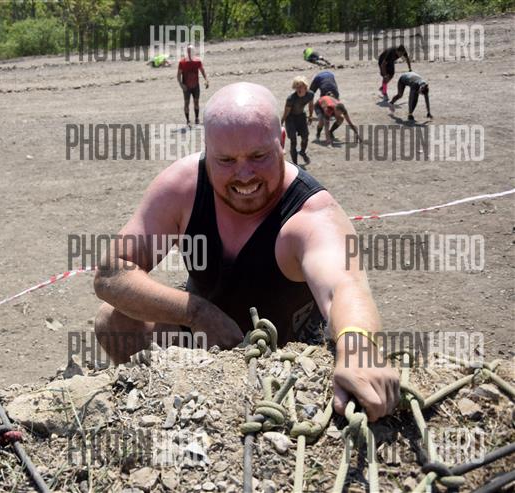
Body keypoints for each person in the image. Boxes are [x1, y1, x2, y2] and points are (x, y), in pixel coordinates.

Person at [93, 82, 399, 422]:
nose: (244, 176)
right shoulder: (184, 187)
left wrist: (358, 348)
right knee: (114, 321)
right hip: (203, 335)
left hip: (282, 355)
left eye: (258, 157)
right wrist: (198, 313)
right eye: (226, 160)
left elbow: (344, 285)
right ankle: (164, 412)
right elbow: (112, 273)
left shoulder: (310, 213)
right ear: (207, 151)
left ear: (282, 142)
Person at [281, 76, 314, 166]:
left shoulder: (310, 94)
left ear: (305, 87)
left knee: (305, 136)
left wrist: (311, 115)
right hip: (290, 118)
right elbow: (286, 112)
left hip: (301, 116)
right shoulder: (291, 98)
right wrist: (282, 122)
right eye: (297, 87)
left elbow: (311, 105)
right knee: (293, 140)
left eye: (300, 87)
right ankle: (295, 164)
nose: (298, 89)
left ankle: (302, 152)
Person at [177, 45, 209, 126]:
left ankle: (197, 118)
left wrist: (206, 80)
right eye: (188, 51)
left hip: (195, 86)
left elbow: (203, 71)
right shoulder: (182, 62)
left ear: (193, 52)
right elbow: (178, 75)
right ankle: (188, 120)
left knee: (196, 102)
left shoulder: (198, 61)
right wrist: (181, 85)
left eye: (190, 51)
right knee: (186, 103)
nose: (189, 52)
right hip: (186, 87)